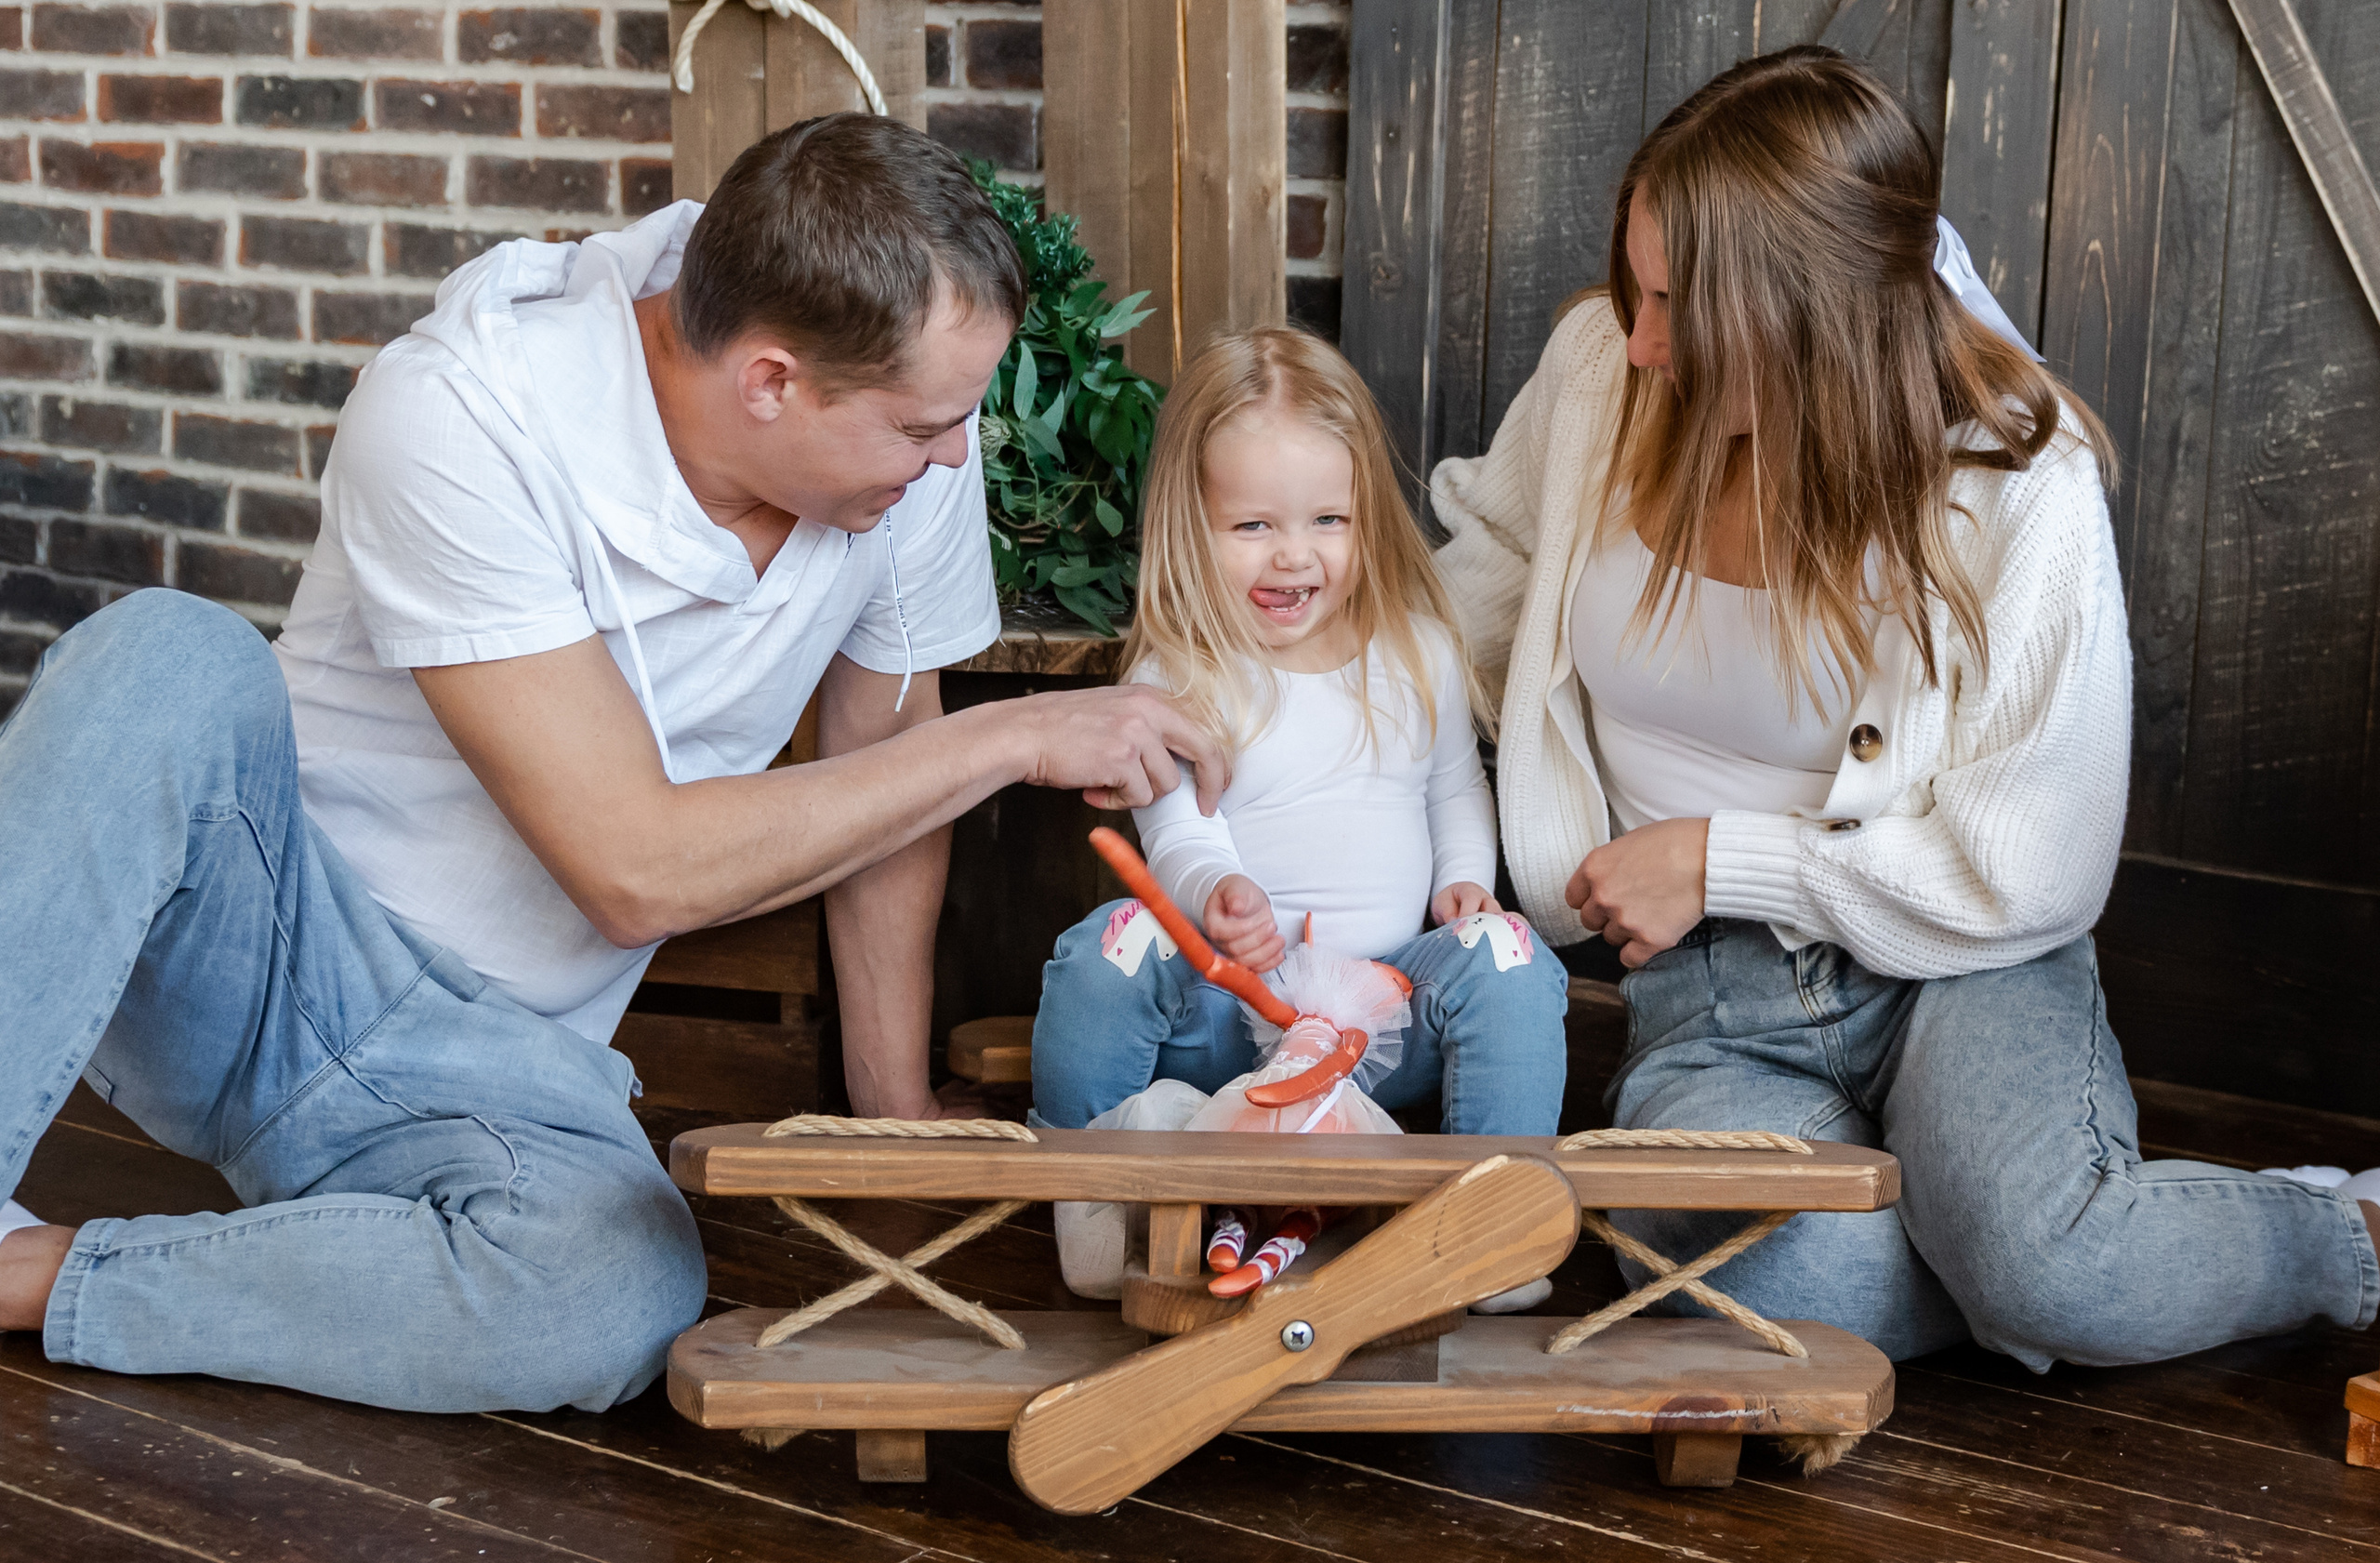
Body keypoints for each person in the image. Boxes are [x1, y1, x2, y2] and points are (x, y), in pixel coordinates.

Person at [0, 114, 1225, 1413]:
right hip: (260, 951)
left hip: (499, 1069)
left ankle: (41, 1278)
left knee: (614, 1286)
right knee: (170, 654)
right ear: (771, 380)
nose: (954, 455)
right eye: (924, 424)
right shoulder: (464, 409)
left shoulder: (903, 468)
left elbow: (886, 765)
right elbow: (633, 872)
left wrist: (891, 1116)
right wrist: (1014, 734)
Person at [1431, 46, 2379, 1368]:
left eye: (1678, 307)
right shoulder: (1605, 372)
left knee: (2051, 1267)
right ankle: (2030, 1246)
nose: (1639, 339)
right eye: (1635, 288)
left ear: (1819, 317)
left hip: (1961, 967)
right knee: (1781, 1272)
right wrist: (1254, 696)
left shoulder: (2014, 478)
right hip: (1706, 996)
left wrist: (1719, 859)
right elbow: (1473, 588)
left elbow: (2041, 866)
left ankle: (2335, 1231)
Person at [1029, 326, 1569, 1159]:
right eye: (1252, 524)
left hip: (1388, 1015)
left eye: (1327, 519)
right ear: (1192, 525)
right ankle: (1087, 1185)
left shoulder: (1418, 650)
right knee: (1114, 944)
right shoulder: (1181, 672)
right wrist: (1217, 891)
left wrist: (1463, 879)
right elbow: (1178, 830)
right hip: (1229, 1009)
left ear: (1366, 517)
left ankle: (1500, 1196)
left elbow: (1455, 788)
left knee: (1508, 955)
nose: (1293, 554)